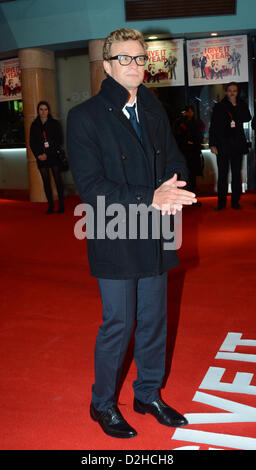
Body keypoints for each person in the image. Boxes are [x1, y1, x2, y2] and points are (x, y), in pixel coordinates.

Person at [67, 28, 197, 439]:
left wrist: (176, 187)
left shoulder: (154, 110)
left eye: (140, 58)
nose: (134, 65)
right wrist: (152, 197)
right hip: (115, 231)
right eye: (124, 58)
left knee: (154, 320)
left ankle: (147, 394)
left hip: (155, 229)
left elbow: (176, 160)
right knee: (119, 323)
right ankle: (102, 403)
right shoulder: (84, 116)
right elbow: (90, 187)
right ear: (107, 65)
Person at [209, 82, 251, 210]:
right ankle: (221, 203)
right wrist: (212, 144)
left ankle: (235, 201)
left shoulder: (241, 104)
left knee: (236, 174)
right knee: (222, 175)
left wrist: (235, 105)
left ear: (237, 92)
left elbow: (247, 118)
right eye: (230, 90)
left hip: (237, 145)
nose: (232, 93)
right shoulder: (219, 106)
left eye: (235, 91)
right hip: (222, 145)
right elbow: (213, 127)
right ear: (226, 92)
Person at [30, 101, 65, 214]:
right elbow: (32, 142)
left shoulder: (54, 123)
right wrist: (39, 155)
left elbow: (59, 140)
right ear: (38, 111)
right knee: (46, 182)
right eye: (41, 109)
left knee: (57, 180)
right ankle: (50, 206)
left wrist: (47, 153)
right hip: (40, 157)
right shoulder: (34, 125)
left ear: (48, 111)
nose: (43, 112)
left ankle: (61, 205)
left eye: (45, 109)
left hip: (53, 155)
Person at [174, 106, 203, 206]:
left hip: (193, 152)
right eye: (188, 111)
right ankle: (184, 198)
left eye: (191, 111)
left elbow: (198, 136)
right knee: (185, 175)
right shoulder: (180, 122)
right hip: (184, 152)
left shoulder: (196, 123)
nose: (189, 113)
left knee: (193, 176)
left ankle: (192, 197)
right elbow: (176, 135)